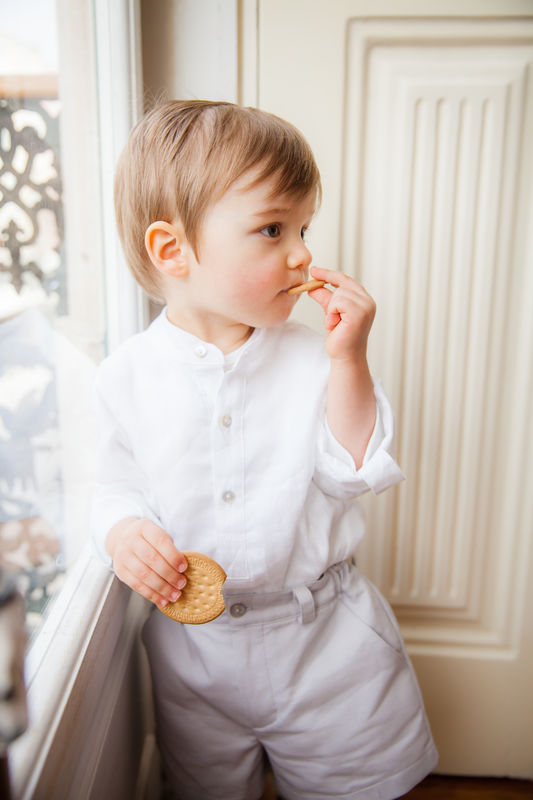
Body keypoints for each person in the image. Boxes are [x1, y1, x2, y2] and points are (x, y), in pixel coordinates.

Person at [91, 100, 438, 800]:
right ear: (173, 251)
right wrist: (124, 529)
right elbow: (109, 485)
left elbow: (353, 470)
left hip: (327, 651)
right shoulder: (124, 377)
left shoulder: (315, 360)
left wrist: (349, 360)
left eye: (304, 227)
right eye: (272, 228)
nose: (303, 252)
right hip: (196, 664)